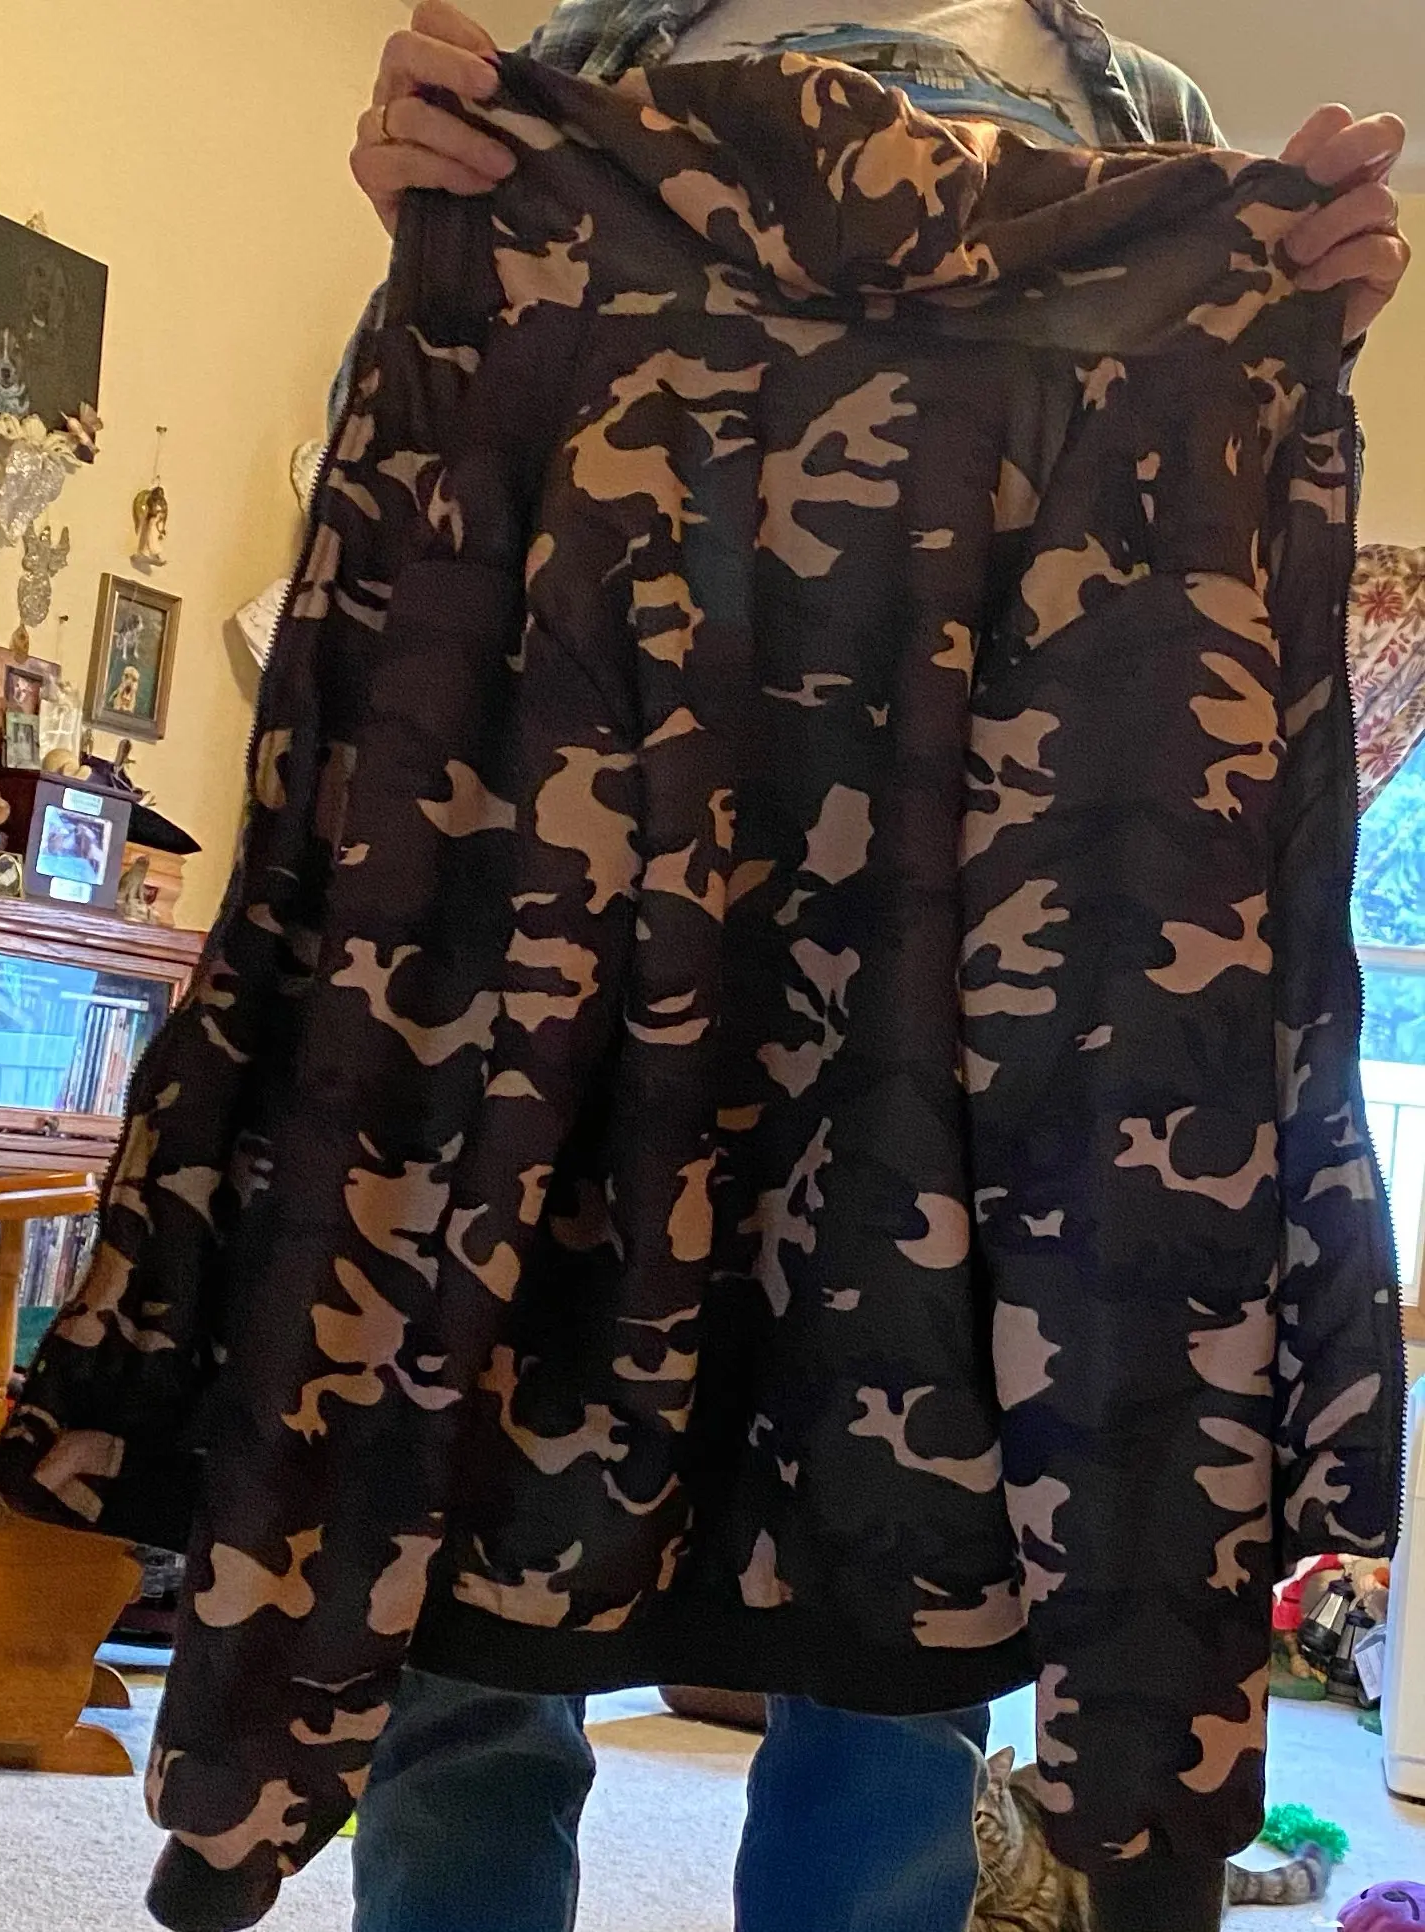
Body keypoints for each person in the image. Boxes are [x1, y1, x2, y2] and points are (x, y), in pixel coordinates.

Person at [338, 7, 1412, 1931]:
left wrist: (1296, 316)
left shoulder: (1138, 116)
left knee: (907, 1558)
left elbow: (1180, 569)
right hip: (586, 896)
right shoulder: (596, 51)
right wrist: (429, 229)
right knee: (479, 1507)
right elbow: (466, 480)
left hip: (971, 942)